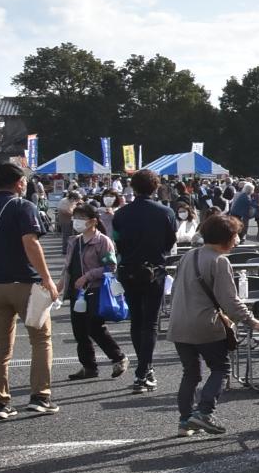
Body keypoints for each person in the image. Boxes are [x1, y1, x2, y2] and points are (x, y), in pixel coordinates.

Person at [168, 212, 259, 436]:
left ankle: (185, 421)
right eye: (235, 235)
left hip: (179, 324)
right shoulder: (219, 261)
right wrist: (251, 321)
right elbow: (230, 299)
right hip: (205, 325)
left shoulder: (189, 256)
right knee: (221, 368)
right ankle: (204, 412)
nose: (237, 240)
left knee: (191, 373)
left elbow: (177, 289)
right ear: (225, 237)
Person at [104, 169, 177, 397]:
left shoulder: (121, 214)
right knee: (151, 323)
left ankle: (144, 368)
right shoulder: (166, 212)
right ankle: (144, 370)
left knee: (136, 320)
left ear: (132, 188)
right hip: (154, 271)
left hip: (129, 270)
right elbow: (170, 241)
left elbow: (117, 241)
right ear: (155, 188)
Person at [63, 203, 127, 381]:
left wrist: (88, 276)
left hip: (96, 289)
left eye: (81, 218)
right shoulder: (74, 241)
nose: (76, 221)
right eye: (75, 217)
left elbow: (111, 266)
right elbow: (68, 267)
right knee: (79, 331)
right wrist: (59, 286)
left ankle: (118, 358)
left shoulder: (102, 241)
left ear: (93, 221)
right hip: (76, 291)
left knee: (94, 327)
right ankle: (88, 366)